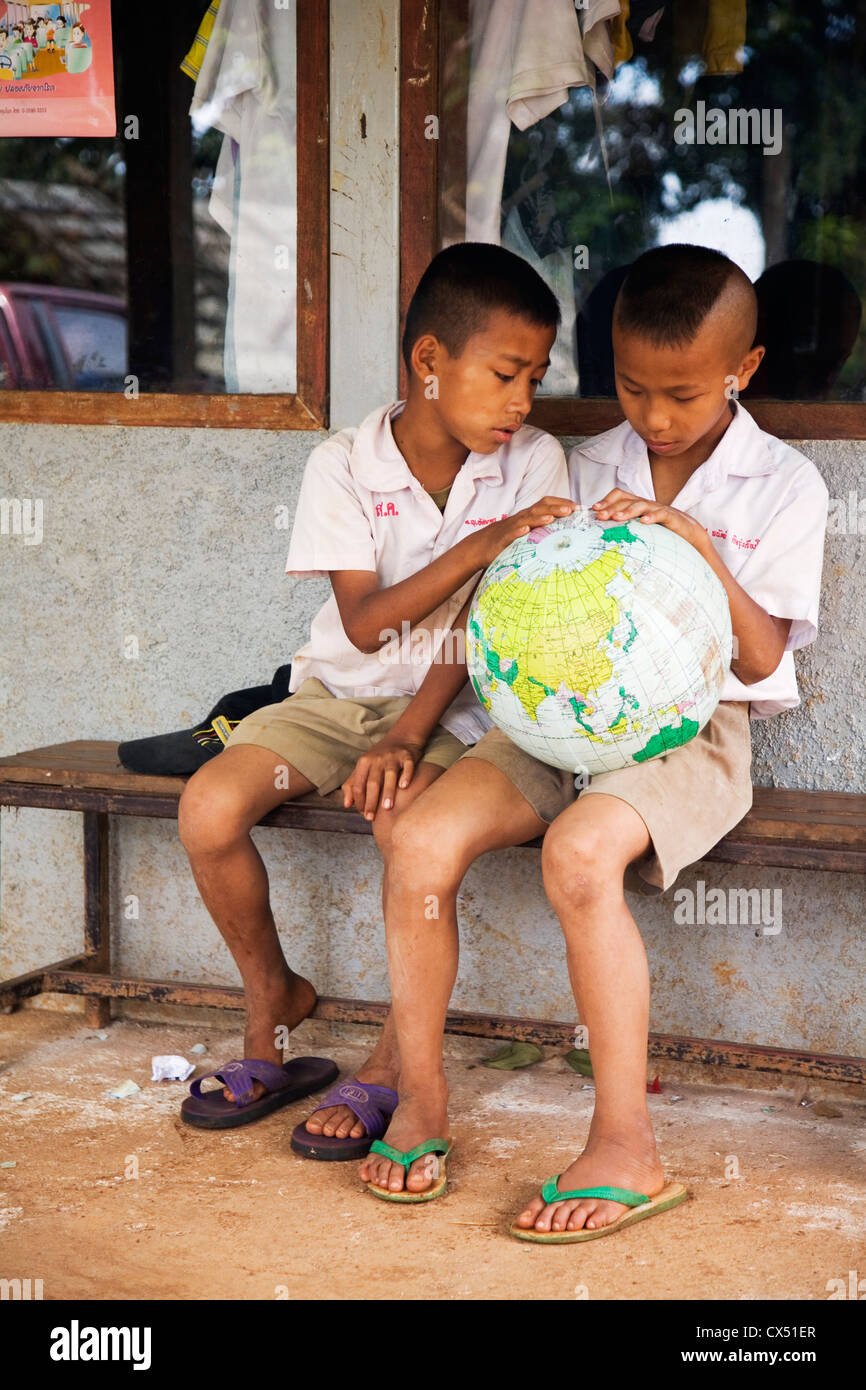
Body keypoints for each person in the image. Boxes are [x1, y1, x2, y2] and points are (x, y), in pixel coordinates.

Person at [360, 244, 829, 1233]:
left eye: (681, 392)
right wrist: (412, 726)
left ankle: (626, 1144)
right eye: (627, 386)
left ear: (742, 373)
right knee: (416, 839)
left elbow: (752, 662)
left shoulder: (782, 485)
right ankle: (422, 1091)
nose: (651, 416)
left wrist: (690, 542)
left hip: (689, 734)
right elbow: (501, 607)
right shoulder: (580, 464)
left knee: (577, 856)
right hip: (550, 716)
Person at [177, 242, 573, 1132]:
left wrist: (406, 737)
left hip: (455, 711)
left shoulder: (537, 461)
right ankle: (271, 1004)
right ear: (429, 361)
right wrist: (484, 540)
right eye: (506, 373)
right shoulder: (345, 463)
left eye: (537, 379)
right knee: (208, 810)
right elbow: (364, 625)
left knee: (407, 831)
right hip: (333, 698)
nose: (522, 401)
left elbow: (488, 630)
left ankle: (392, 1061)